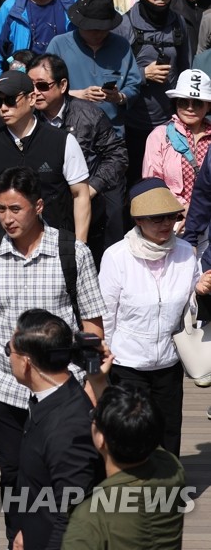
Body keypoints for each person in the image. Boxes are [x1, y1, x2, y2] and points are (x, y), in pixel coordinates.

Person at [0, 166, 104, 542]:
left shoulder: (73, 253)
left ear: (38, 206)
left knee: (63, 475)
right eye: (0, 209)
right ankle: (16, 537)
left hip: (60, 387)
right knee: (12, 473)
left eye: (15, 209)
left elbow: (90, 323)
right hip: (5, 386)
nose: (7, 218)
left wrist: (91, 383)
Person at [99, 178, 208, 456]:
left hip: (169, 363)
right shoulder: (116, 256)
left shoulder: (186, 253)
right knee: (131, 433)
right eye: (157, 218)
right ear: (138, 220)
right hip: (127, 363)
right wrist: (105, 360)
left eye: (171, 217)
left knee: (169, 431)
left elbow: (191, 312)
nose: (165, 224)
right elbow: (106, 314)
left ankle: (168, 493)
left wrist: (199, 291)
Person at [7, 311, 102, 550]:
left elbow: (71, 516)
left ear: (26, 362)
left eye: (10, 351)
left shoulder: (68, 428)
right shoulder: (52, 399)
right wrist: (23, 530)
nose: (8, 357)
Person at [0, 71, 91, 240]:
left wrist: (79, 245)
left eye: (10, 100)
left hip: (54, 248)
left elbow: (80, 194)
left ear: (31, 99)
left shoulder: (62, 141)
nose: (3, 108)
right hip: (3, 250)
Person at [62, 384, 187, 550]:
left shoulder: (90, 517)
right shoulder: (172, 469)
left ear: (101, 440)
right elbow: (140, 432)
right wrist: (98, 381)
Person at [29, 53, 129, 255]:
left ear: (62, 85)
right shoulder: (27, 118)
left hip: (87, 207)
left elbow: (118, 155)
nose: (35, 93)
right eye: (30, 86)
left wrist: (92, 187)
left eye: (42, 86)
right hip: (41, 208)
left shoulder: (89, 115)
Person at [114, 0, 190, 184]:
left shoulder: (179, 23)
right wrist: (143, 74)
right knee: (136, 182)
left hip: (169, 123)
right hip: (132, 123)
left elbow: (186, 65)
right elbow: (111, 74)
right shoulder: (124, 25)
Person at [46, 0, 143, 134]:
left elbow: (133, 84)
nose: (96, 33)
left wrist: (119, 97)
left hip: (112, 133)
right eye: (90, 28)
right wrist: (78, 95)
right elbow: (44, 88)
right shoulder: (58, 45)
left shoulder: (121, 45)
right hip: (69, 132)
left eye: (102, 28)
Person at [143, 67, 211, 217]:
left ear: (208, 105)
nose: (190, 108)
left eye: (198, 103)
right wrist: (184, 208)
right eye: (183, 102)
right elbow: (152, 182)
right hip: (172, 219)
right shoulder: (159, 135)